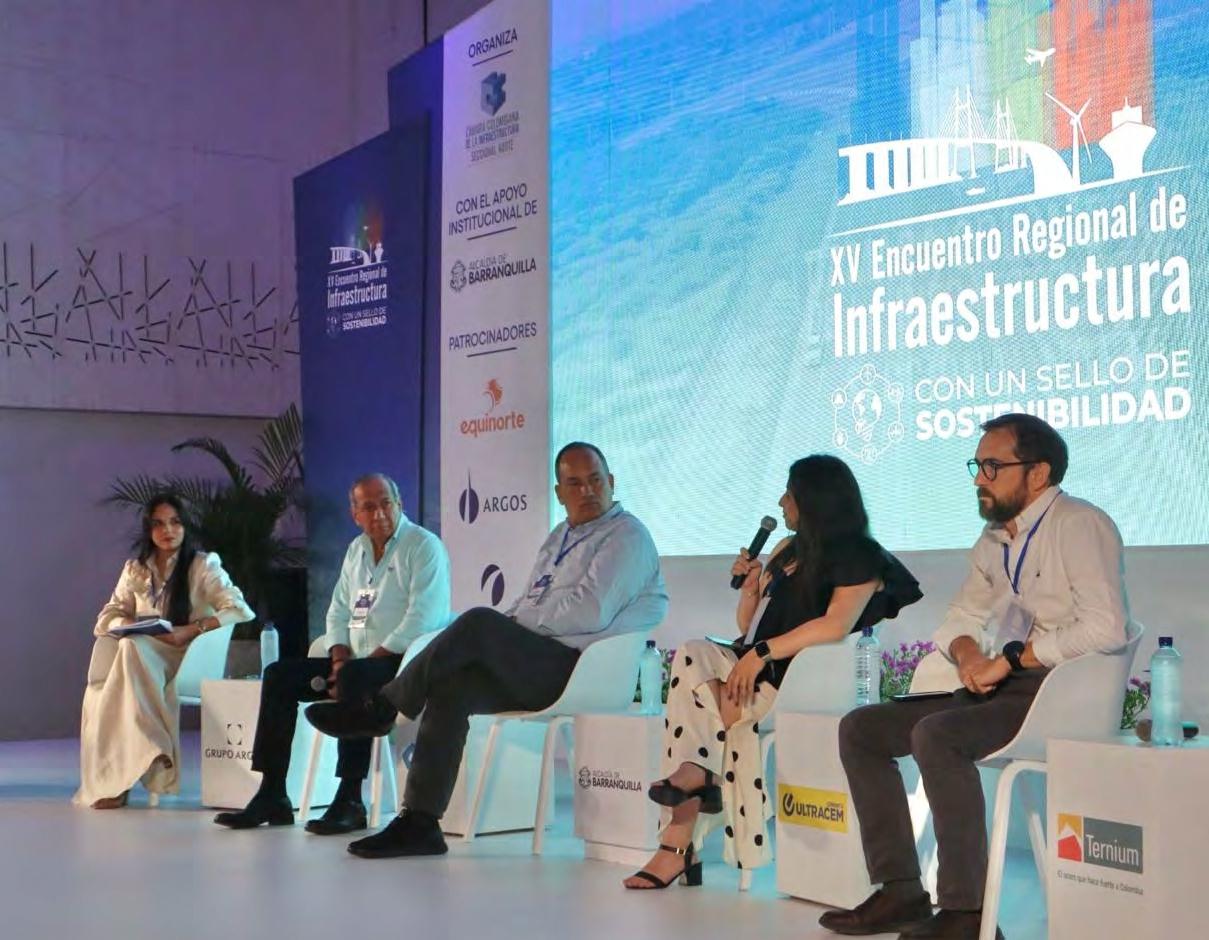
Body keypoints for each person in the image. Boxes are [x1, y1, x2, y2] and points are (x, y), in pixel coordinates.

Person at [821, 413, 1129, 940]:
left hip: (1057, 692)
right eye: (977, 465)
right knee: (862, 729)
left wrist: (1011, 660)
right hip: (1000, 686)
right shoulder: (993, 539)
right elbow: (961, 617)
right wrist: (967, 656)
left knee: (937, 735)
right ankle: (901, 890)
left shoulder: (1079, 524)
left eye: (992, 467)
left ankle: (967, 914)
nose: (978, 479)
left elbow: (1107, 627)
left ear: (1038, 473)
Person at [307, 442, 668, 858]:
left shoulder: (627, 536)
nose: (587, 490)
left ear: (612, 482)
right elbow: (531, 599)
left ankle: (383, 707)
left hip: (577, 667)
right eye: (575, 483)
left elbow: (589, 610)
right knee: (452, 686)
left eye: (595, 480)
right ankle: (420, 822)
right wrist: (511, 623)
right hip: (537, 658)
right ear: (559, 492)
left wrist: (509, 627)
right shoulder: (561, 535)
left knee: (479, 621)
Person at [624, 454, 922, 889]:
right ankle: (695, 781)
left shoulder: (861, 556)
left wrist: (761, 654)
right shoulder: (787, 549)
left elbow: (835, 625)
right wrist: (750, 592)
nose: (782, 502)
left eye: (789, 493)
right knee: (691, 653)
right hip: (753, 667)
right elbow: (749, 627)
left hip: (799, 679)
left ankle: (677, 843)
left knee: (701, 714)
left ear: (814, 498)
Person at [215, 473, 450, 833]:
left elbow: (423, 619)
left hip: (403, 664)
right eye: (368, 506)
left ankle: (351, 799)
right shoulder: (357, 550)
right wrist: (339, 659)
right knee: (279, 676)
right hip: (353, 663)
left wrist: (357, 666)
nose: (379, 513)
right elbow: (338, 611)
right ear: (355, 514)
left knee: (356, 678)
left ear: (400, 504)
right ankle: (272, 793)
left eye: (386, 503)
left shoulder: (423, 546)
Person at [75, 493, 254, 808]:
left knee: (129, 656)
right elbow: (107, 617)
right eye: (158, 524)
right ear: (149, 530)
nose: (167, 530)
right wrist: (129, 622)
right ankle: (150, 751)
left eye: (175, 522)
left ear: (185, 526)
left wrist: (192, 629)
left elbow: (239, 609)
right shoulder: (136, 569)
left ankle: (122, 779)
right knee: (130, 645)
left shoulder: (202, 565)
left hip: (186, 655)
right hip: (142, 653)